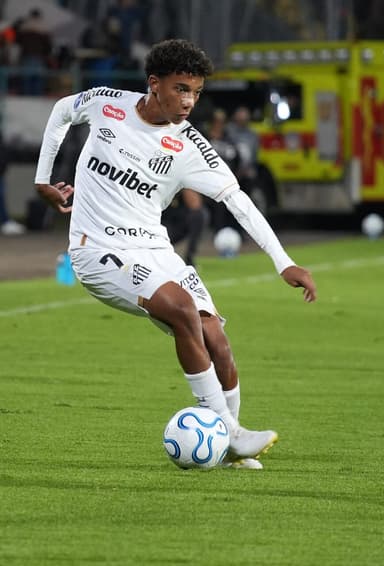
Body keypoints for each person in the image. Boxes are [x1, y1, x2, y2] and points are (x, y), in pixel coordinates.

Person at [33, 38, 317, 469]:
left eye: (196, 92)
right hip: (98, 251)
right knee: (183, 310)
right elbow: (61, 111)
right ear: (154, 83)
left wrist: (285, 262)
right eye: (181, 89)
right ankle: (231, 433)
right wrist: (43, 180)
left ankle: (228, 453)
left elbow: (238, 201)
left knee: (216, 338)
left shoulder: (190, 146)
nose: (189, 101)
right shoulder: (108, 104)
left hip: (155, 251)